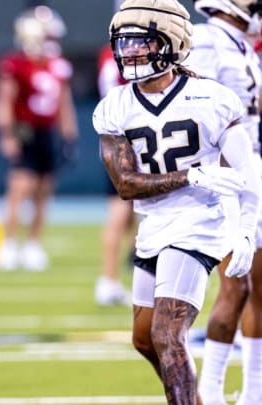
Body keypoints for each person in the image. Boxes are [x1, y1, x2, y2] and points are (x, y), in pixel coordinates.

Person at [93, 0, 262, 402]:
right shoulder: (115, 106)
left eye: (142, 42)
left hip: (199, 222)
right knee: (144, 339)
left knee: (167, 335)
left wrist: (244, 231)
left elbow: (249, 170)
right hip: (153, 225)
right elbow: (127, 184)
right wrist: (191, 174)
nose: (130, 51)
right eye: (125, 43)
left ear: (171, 43)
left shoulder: (212, 99)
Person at [184, 1, 262, 403]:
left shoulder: (241, 43)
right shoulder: (208, 40)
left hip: (251, 168)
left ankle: (253, 392)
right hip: (228, 176)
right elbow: (199, 109)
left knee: (257, 288)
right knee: (234, 288)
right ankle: (210, 393)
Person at [0, 5, 79, 272]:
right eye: (49, 37)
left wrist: (69, 136)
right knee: (20, 189)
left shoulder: (58, 66)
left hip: (47, 132)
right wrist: (7, 133)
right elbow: (4, 100)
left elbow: (64, 103)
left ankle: (33, 245)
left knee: (44, 191)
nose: (53, 43)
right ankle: (8, 245)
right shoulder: (15, 64)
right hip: (24, 130)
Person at [95, 44, 134, 306]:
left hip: (132, 141)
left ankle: (117, 279)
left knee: (130, 217)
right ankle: (107, 280)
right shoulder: (114, 56)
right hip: (124, 143)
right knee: (119, 215)